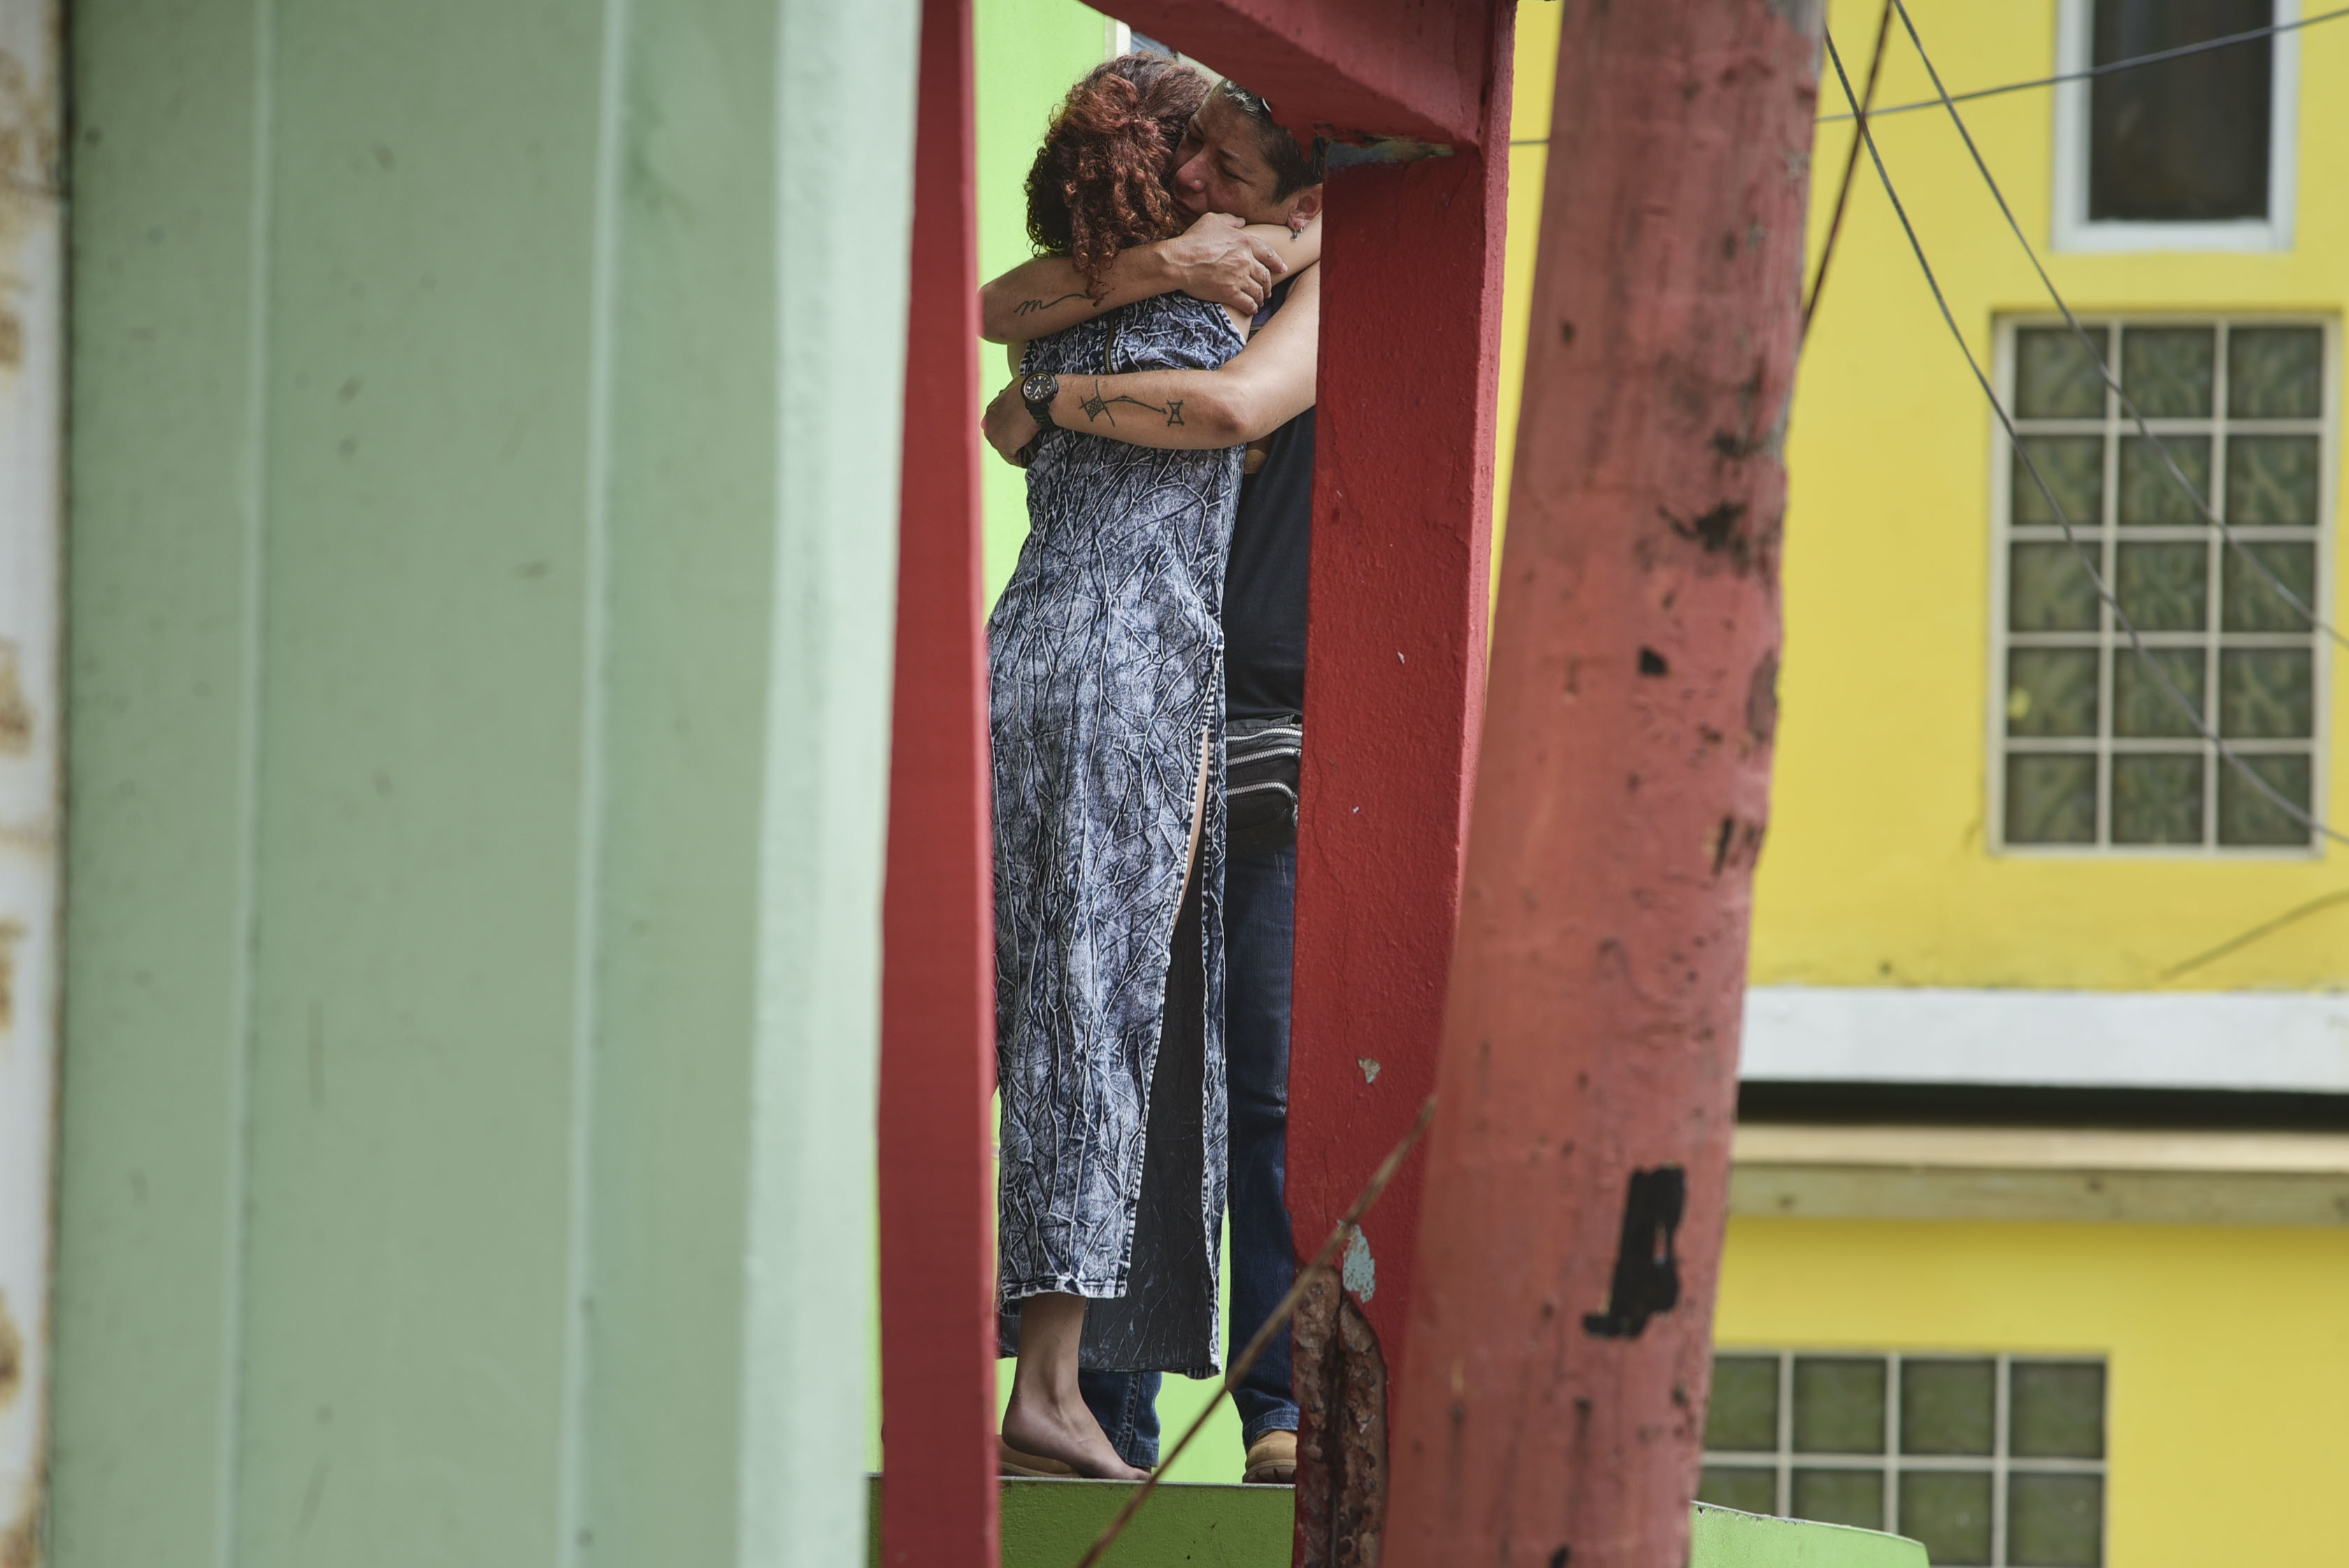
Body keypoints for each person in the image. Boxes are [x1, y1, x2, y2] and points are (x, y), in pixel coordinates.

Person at [983, 76, 1326, 1488]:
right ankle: (1059, 1395)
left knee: (1059, 1023)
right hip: (1132, 666)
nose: (1214, 161)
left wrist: (1063, 391)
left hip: (1020, 650)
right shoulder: (1192, 280)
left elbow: (1012, 395)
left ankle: (1068, 1393)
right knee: (1105, 1021)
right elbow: (1223, 408)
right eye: (1199, 142)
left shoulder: (1097, 302)